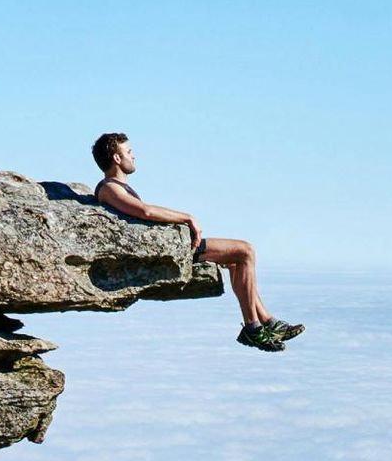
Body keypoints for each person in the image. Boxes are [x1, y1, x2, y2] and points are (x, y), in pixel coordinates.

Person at [90, 132, 301, 353]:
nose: (133, 156)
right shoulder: (109, 188)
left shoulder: (119, 187)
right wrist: (187, 217)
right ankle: (253, 327)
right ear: (116, 158)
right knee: (245, 251)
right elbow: (146, 211)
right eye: (128, 152)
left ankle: (266, 321)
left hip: (174, 245)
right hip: (171, 250)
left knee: (235, 261)